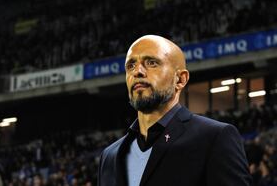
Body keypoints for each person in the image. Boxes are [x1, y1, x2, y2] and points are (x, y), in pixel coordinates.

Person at [98, 35, 252, 186]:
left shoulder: (214, 138)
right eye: (130, 65)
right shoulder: (109, 155)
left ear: (180, 79)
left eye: (151, 63)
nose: (137, 71)